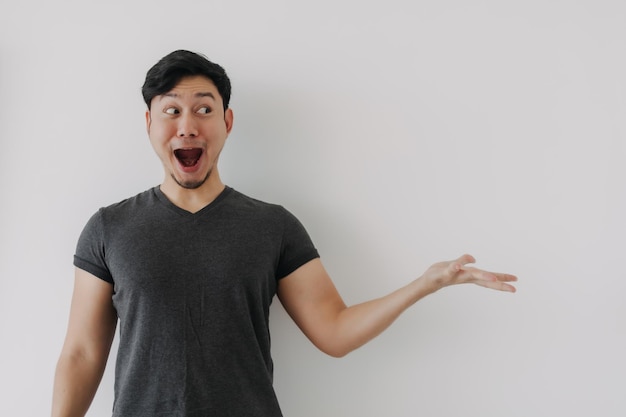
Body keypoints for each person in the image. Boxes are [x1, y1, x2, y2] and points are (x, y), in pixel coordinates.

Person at [51, 50, 517, 417]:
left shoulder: (272, 226)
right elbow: (81, 354)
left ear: (226, 123)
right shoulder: (109, 228)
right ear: (150, 124)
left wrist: (425, 283)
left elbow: (334, 331)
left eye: (203, 109)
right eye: (171, 111)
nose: (187, 126)